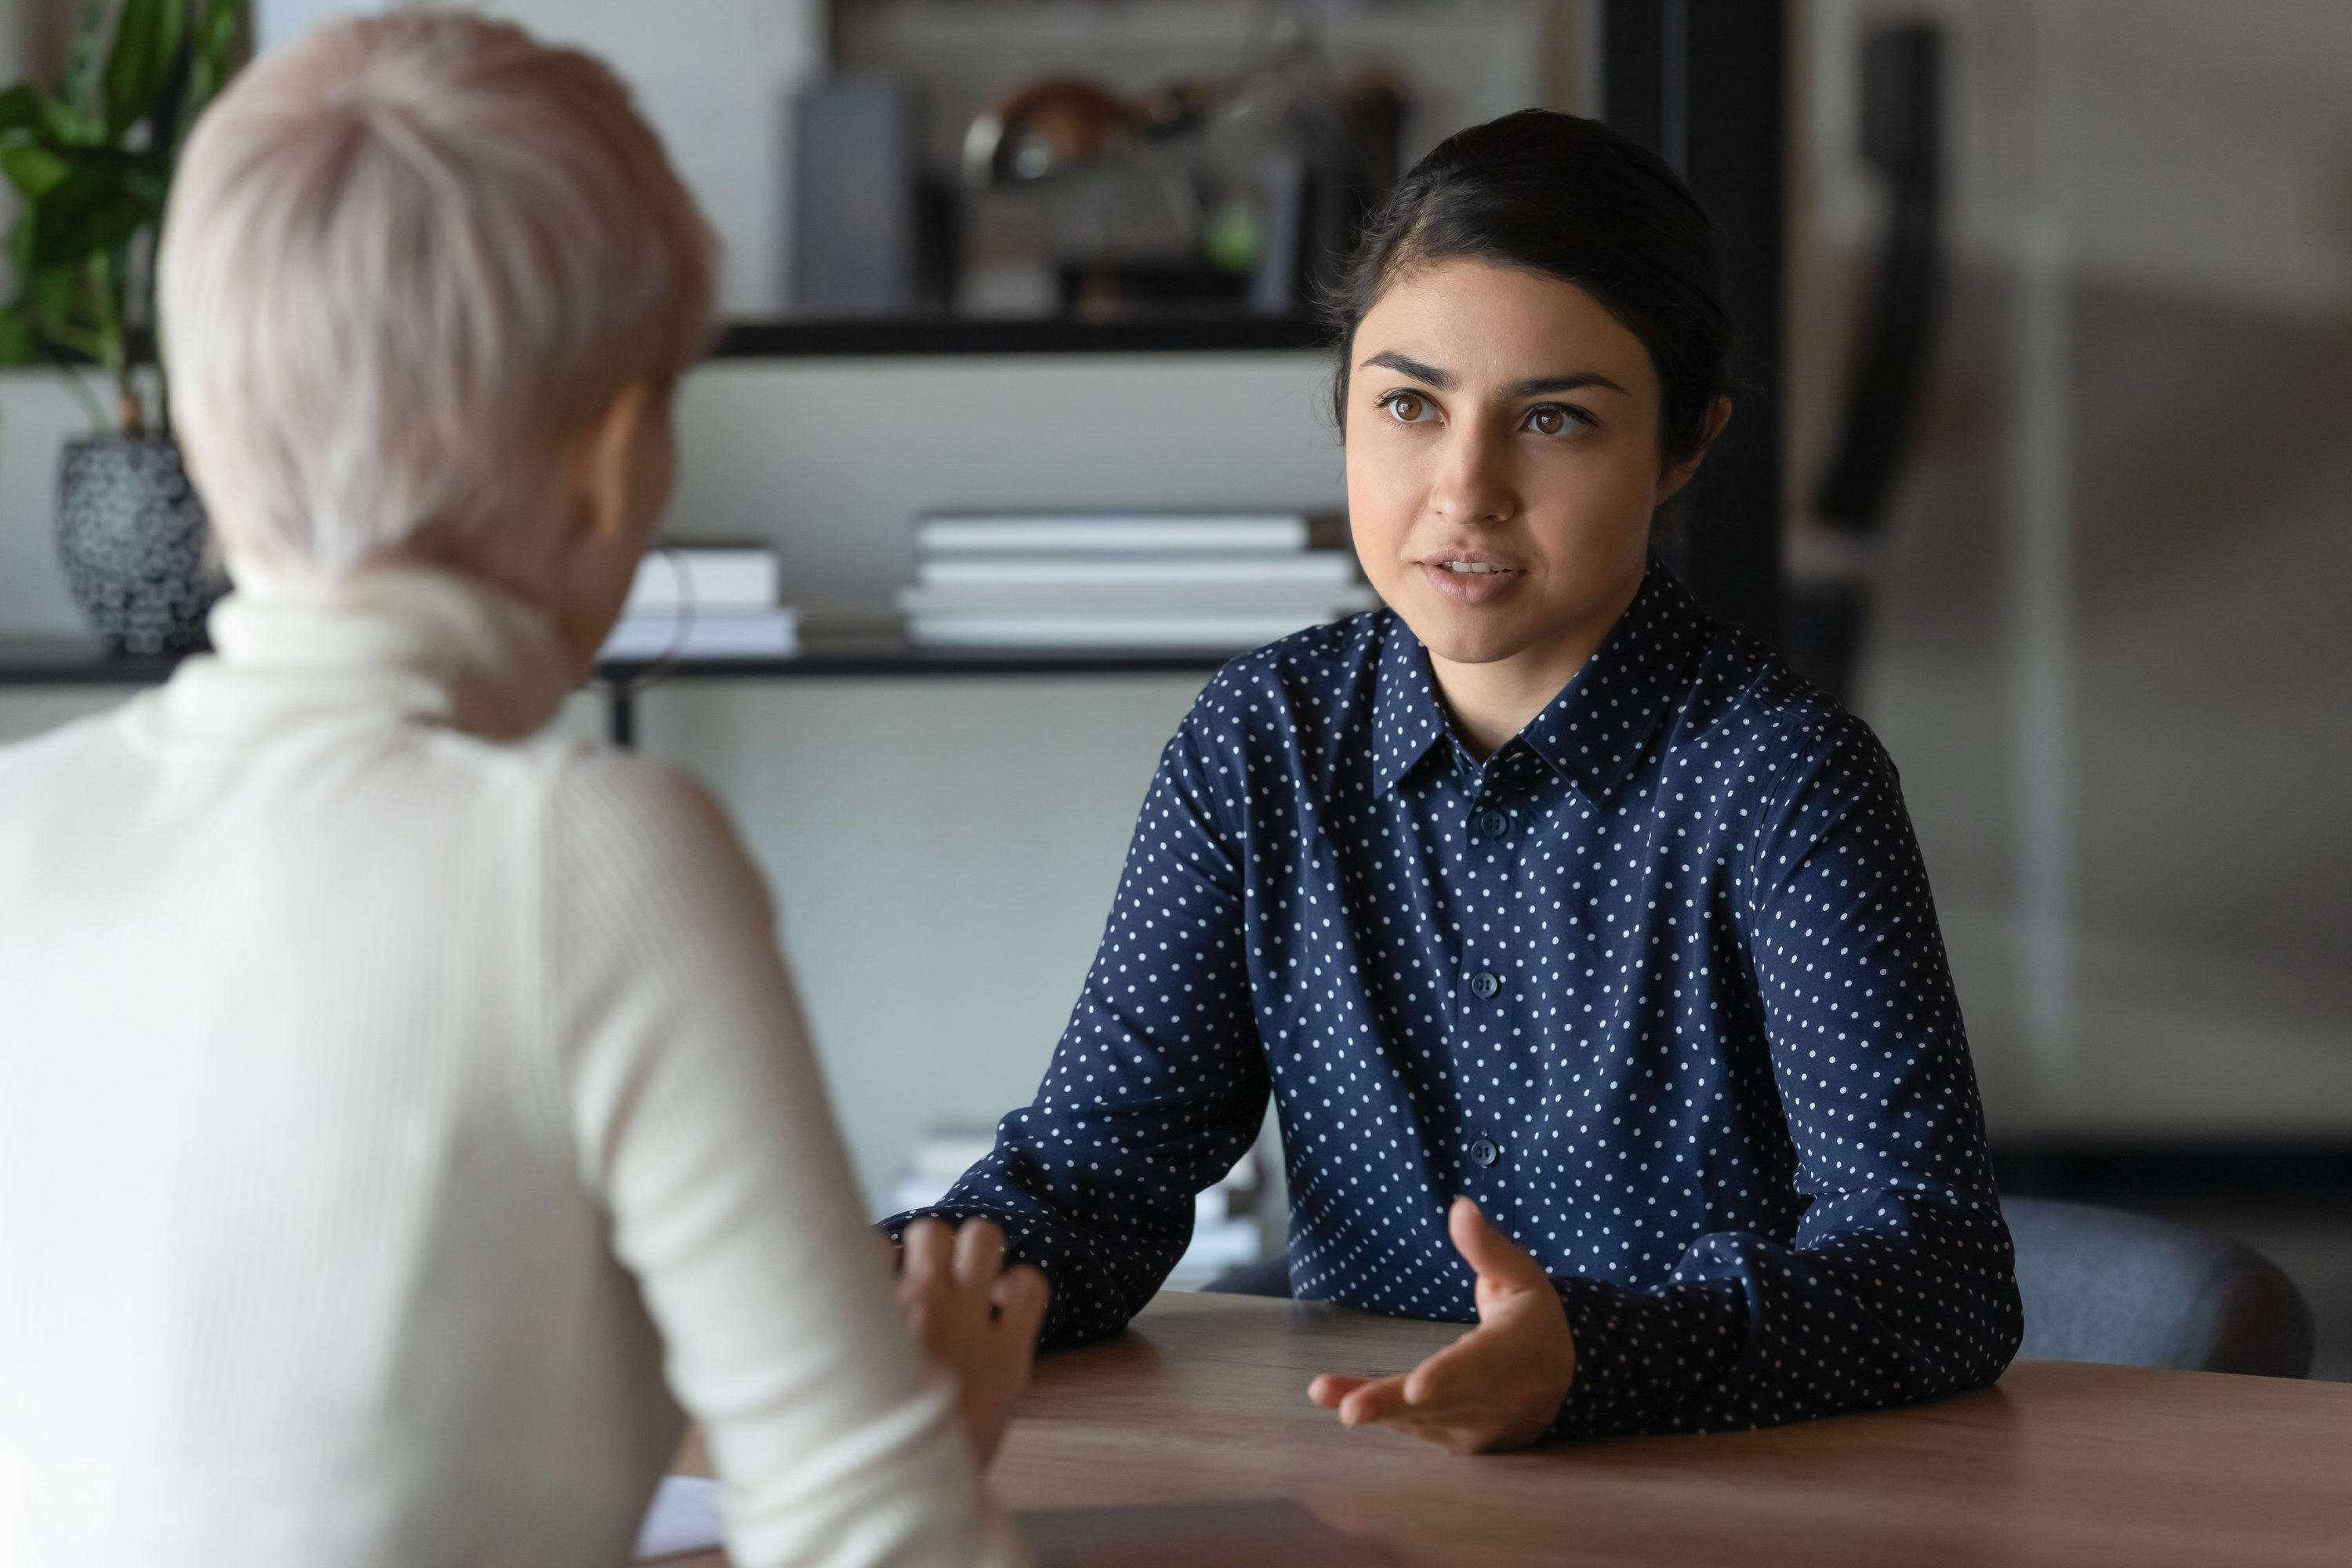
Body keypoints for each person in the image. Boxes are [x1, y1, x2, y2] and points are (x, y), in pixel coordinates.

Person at [0, 15, 1042, 1566]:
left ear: (204, 441)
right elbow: (876, 1541)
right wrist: (922, 1448)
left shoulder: (22, 817)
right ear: (616, 462)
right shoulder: (584, 848)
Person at [888, 110, 2024, 1452]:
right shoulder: (1263, 741)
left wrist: (1595, 1360)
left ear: (1685, 445)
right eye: (1410, 407)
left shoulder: (1781, 780)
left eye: (1554, 421)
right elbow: (1096, 1180)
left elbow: (1936, 1275)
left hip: (1706, 1487)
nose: (1464, 491)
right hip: (1366, 1469)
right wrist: (871, 1289)